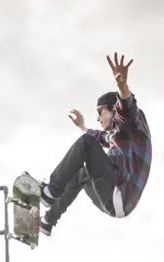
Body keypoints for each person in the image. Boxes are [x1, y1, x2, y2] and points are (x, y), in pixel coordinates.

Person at [39, 52, 152, 236]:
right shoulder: (118, 134)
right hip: (115, 204)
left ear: (113, 109)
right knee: (82, 172)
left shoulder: (133, 122)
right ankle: (47, 221)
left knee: (87, 143)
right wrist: (83, 127)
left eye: (100, 112)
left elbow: (128, 109)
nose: (98, 118)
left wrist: (122, 86)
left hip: (119, 193)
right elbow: (100, 138)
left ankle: (50, 191)